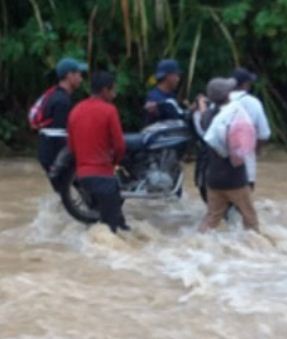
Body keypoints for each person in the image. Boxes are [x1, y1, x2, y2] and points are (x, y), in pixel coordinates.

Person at [67, 72, 129, 233]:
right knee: (113, 230)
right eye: (113, 90)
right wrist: (114, 163)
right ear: (104, 90)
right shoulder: (109, 110)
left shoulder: (75, 110)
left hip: (83, 178)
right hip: (104, 177)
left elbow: (71, 147)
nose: (115, 95)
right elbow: (120, 146)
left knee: (100, 224)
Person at [197, 78, 259, 233]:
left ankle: (197, 244)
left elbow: (204, 116)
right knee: (250, 218)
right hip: (235, 178)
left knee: (212, 218)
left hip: (213, 178)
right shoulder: (234, 115)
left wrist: (201, 104)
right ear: (227, 95)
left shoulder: (209, 117)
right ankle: (260, 250)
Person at [37, 58, 87, 174]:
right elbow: (62, 137)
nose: (81, 79)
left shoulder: (55, 95)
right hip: (54, 158)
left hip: (47, 153)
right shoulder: (62, 102)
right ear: (69, 76)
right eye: (79, 74)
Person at [229, 68, 271, 190]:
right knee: (244, 207)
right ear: (245, 84)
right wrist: (257, 149)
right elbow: (264, 134)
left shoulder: (219, 101)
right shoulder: (253, 103)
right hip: (245, 168)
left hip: (218, 171)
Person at [143, 59, 182, 125]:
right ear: (168, 76)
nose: (178, 79)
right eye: (176, 75)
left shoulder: (171, 95)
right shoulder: (154, 98)